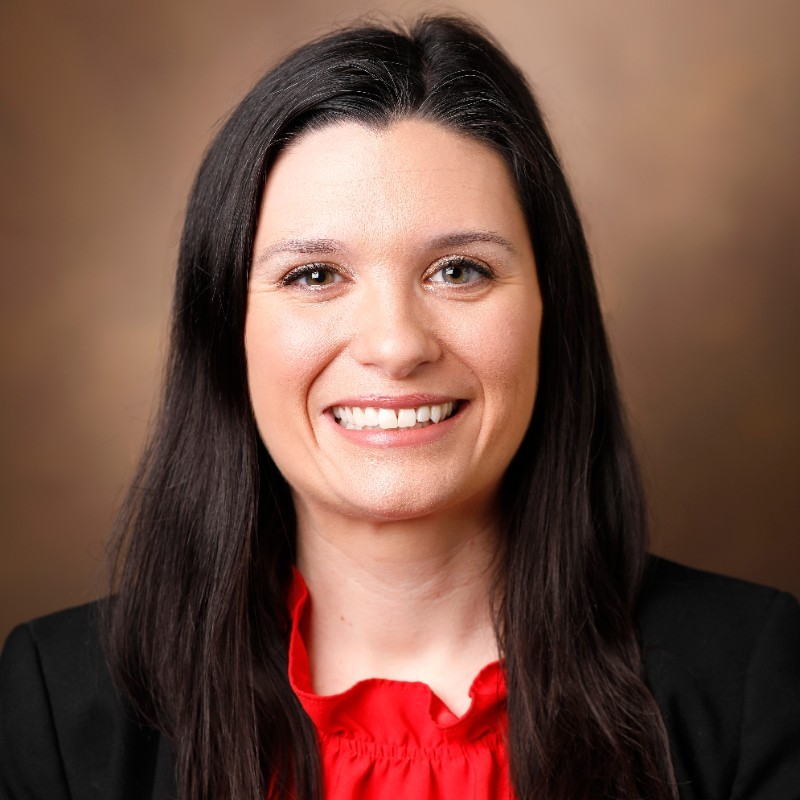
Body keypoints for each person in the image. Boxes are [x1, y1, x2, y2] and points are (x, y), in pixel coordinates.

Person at [1, 14, 798, 800]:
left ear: (551, 308)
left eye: (459, 270)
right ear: (225, 328)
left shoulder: (752, 679)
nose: (395, 345)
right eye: (315, 276)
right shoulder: (53, 706)